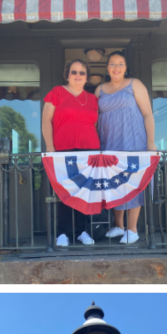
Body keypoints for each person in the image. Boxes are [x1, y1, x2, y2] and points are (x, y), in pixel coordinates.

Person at [95, 51, 156, 244]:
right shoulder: (99, 90)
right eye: (112, 64)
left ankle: (132, 229)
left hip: (134, 140)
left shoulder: (134, 84)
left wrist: (150, 142)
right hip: (109, 142)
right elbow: (93, 119)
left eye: (120, 64)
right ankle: (118, 226)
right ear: (107, 68)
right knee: (115, 182)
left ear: (125, 67)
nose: (116, 67)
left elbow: (147, 114)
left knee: (133, 181)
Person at [42, 59, 100, 247]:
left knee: (85, 192)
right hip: (63, 150)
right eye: (74, 72)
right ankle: (63, 233)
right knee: (65, 191)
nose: (78, 75)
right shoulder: (57, 92)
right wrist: (50, 147)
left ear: (87, 77)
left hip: (89, 151)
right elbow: (46, 120)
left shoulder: (92, 99)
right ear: (67, 74)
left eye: (82, 73)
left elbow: (95, 125)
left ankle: (82, 231)